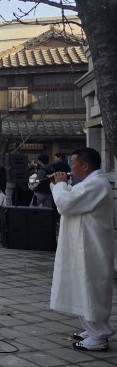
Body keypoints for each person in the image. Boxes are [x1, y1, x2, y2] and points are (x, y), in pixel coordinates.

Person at [49, 148, 115, 351]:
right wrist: (60, 186)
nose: (71, 168)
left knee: (90, 289)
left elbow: (66, 203)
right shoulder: (89, 184)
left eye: (74, 163)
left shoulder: (97, 184)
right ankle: (91, 328)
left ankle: (99, 335)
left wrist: (59, 185)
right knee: (81, 287)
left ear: (85, 166)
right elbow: (70, 199)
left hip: (91, 247)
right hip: (82, 246)